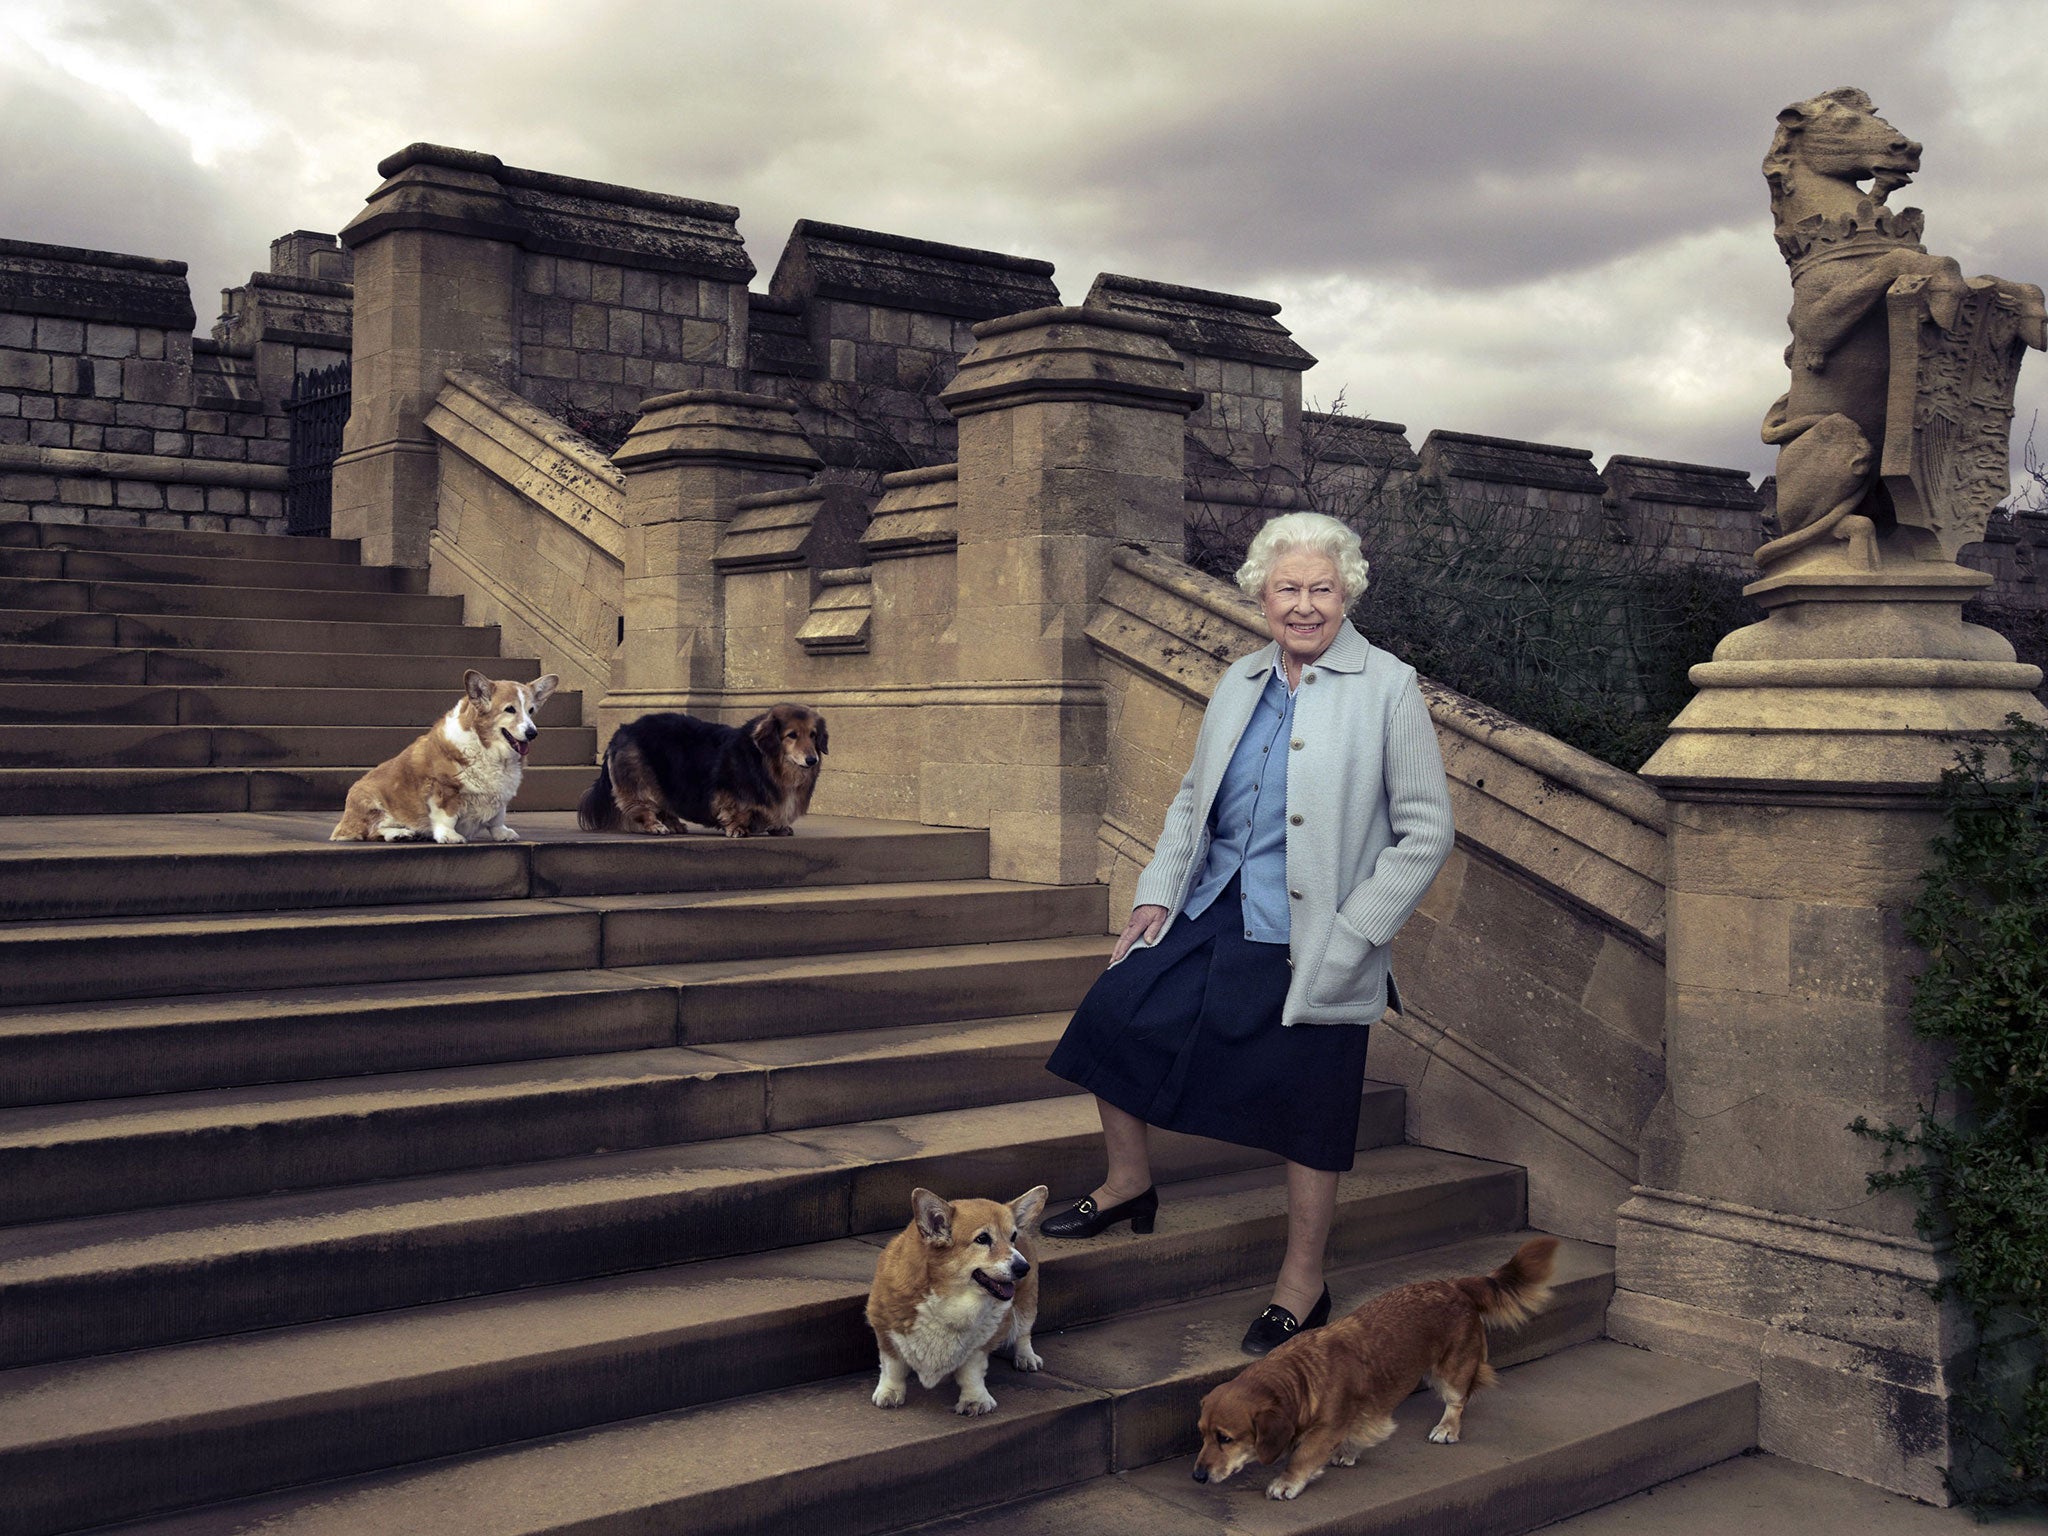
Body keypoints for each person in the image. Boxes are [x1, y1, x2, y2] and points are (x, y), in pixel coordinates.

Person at [1042, 510, 1454, 1354]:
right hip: (1216, 903)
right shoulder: (1239, 681)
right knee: (1113, 1015)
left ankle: (1303, 1284)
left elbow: (1426, 830)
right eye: (1287, 589)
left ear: (1347, 595)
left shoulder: (1389, 686)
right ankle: (1128, 1185)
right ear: (1261, 595)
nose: (1303, 606)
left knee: (1311, 1104)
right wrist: (1156, 894)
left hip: (1317, 933)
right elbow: (1195, 800)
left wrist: (1358, 933)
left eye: (1321, 590)